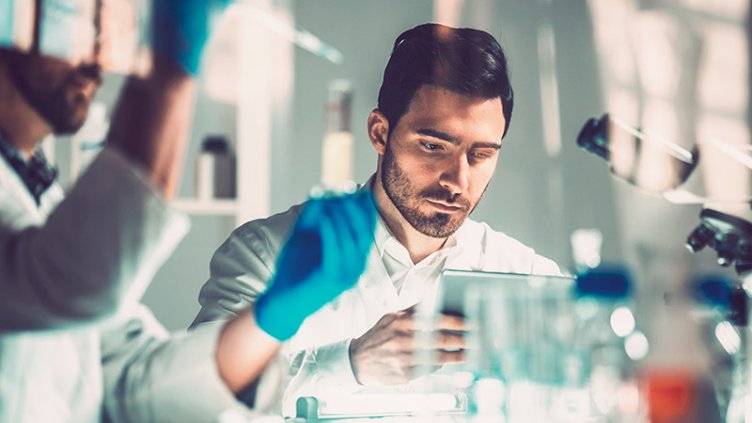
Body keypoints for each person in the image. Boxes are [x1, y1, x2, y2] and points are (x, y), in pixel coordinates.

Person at [0, 1, 375, 421]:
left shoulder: (33, 188)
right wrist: (171, 67)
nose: (98, 59)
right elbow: (73, 284)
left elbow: (132, 380)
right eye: (73, 20)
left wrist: (274, 316)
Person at [191, 22, 561, 416]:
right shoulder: (265, 254)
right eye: (433, 146)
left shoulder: (530, 278)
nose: (459, 180)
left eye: (481, 154)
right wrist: (347, 365)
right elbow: (193, 401)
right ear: (380, 133)